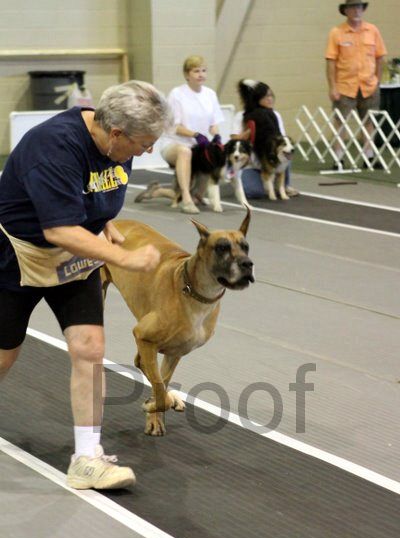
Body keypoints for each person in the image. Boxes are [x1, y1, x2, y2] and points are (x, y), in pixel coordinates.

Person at [0, 80, 171, 490]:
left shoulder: (115, 143)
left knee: (90, 348)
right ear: (115, 133)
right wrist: (126, 258)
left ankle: (87, 457)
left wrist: (103, 219)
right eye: (143, 144)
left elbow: (96, 189)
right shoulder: (53, 146)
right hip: (17, 255)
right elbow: (58, 226)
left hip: (77, 256)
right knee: (5, 354)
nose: (147, 152)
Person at [325, 0, 387, 169]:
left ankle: (369, 157)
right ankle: (338, 159)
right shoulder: (337, 32)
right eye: (352, 7)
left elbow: (380, 58)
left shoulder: (372, 30)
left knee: (369, 122)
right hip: (345, 86)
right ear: (345, 10)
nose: (356, 10)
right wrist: (333, 87)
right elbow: (331, 61)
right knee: (341, 122)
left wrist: (377, 81)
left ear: (363, 9)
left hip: (369, 85)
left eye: (359, 7)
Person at [159, 55, 224, 214]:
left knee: (216, 154)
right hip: (175, 144)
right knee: (185, 151)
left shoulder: (210, 94)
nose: (201, 74)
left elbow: (213, 123)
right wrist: (195, 134)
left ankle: (160, 191)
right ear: (187, 74)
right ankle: (186, 199)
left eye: (203, 70)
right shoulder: (177, 94)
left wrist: (216, 136)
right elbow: (174, 126)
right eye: (196, 71)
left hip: (199, 146)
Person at [232, 80, 299, 197]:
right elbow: (233, 140)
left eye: (271, 95)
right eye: (266, 96)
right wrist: (245, 135)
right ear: (257, 98)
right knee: (254, 192)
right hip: (252, 164)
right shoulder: (241, 116)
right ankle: (248, 180)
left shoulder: (275, 115)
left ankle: (283, 185)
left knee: (286, 152)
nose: (270, 99)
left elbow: (282, 142)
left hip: (273, 162)